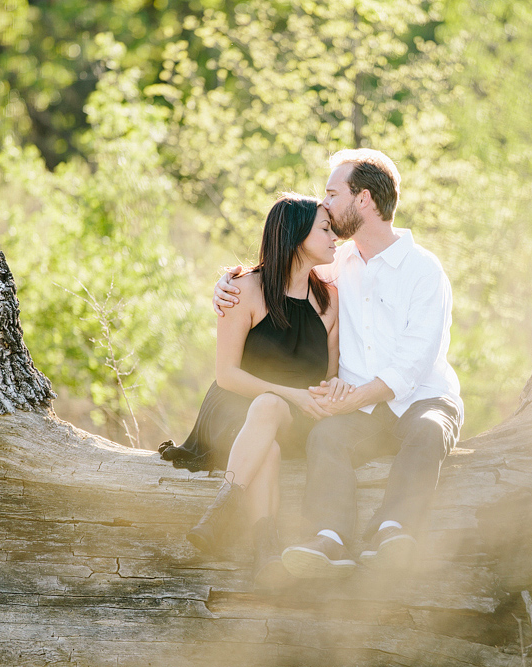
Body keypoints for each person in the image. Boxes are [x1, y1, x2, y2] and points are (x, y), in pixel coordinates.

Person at [215, 149, 463, 578]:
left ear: (363, 199)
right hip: (359, 408)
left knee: (427, 431)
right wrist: (226, 284)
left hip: (423, 397)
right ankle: (329, 540)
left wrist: (351, 399)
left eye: (332, 193)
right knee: (327, 438)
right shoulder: (338, 264)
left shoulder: (424, 270)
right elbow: (284, 272)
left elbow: (413, 363)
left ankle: (393, 533)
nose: (324, 204)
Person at [162, 193, 349, 587]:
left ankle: (222, 513)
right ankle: (267, 554)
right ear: (297, 235)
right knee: (268, 435)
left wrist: (324, 392)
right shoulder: (244, 289)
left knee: (270, 411)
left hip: (297, 415)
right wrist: (290, 395)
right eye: (326, 230)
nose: (336, 239)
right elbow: (227, 375)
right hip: (234, 406)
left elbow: (327, 376)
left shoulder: (328, 300)